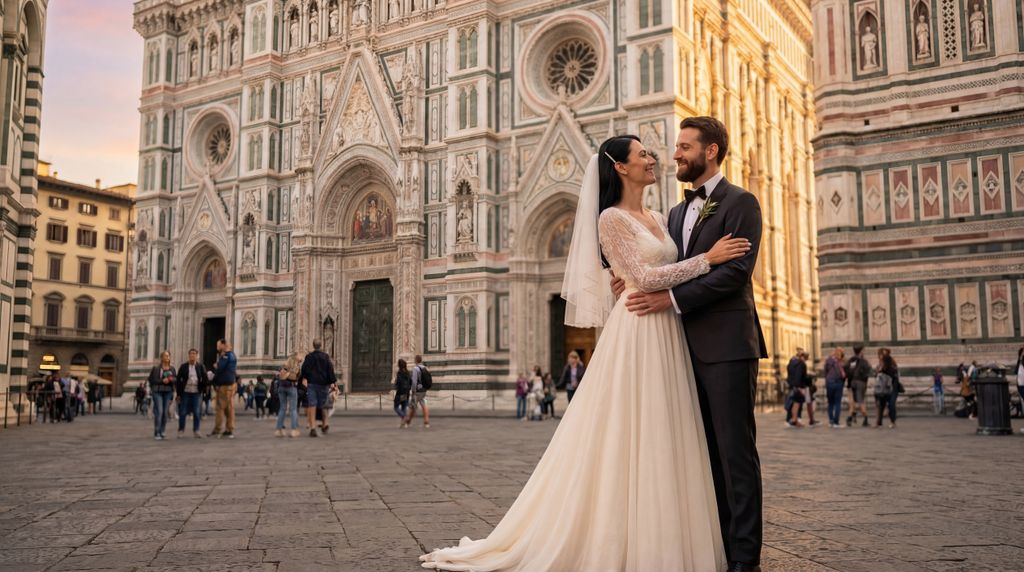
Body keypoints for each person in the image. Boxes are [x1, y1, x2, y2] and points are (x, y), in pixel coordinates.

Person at [422, 128, 752, 570]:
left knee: (675, 438)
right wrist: (704, 259)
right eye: (644, 153)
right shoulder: (611, 218)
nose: (657, 157)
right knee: (639, 436)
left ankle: (689, 542)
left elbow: (656, 270)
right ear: (620, 166)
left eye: (671, 149)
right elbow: (649, 277)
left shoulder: (665, 215)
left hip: (673, 334)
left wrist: (636, 276)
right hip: (640, 332)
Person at [299, 339, 337, 437]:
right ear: (321, 346)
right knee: (323, 405)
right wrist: (333, 382)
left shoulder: (309, 357)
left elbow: (304, 369)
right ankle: (325, 424)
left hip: (312, 384)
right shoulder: (325, 357)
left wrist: (304, 378)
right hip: (323, 384)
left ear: (313, 345)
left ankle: (312, 428)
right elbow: (330, 369)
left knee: (312, 405)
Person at [175, 348, 207, 438]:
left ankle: (196, 430)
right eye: (191, 354)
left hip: (196, 392)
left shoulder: (200, 366)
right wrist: (178, 394)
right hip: (186, 392)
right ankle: (181, 430)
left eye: (194, 354)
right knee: (183, 412)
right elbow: (178, 380)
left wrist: (203, 389)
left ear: (197, 356)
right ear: (188, 356)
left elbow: (205, 379)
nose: (192, 355)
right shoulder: (183, 366)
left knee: (197, 412)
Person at [210, 339, 238, 438]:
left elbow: (220, 368)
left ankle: (218, 429)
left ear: (223, 344)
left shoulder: (226, 355)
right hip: (228, 384)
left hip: (225, 386)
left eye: (218, 345)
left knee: (220, 408)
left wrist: (216, 366)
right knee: (228, 408)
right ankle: (229, 429)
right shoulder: (231, 355)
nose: (217, 347)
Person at [147, 351, 176, 440]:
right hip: (157, 392)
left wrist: (171, 380)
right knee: (159, 411)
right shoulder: (156, 368)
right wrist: (162, 381)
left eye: (168, 356)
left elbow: (175, 380)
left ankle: (162, 430)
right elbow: (152, 380)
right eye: (165, 356)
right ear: (162, 358)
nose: (167, 357)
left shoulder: (172, 369)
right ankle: (157, 432)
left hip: (168, 392)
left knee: (165, 412)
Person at [276, 351, 302, 437]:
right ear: (296, 356)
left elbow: (280, 375)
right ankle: (294, 430)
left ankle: (278, 430)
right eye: (300, 355)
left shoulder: (285, 364)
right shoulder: (296, 366)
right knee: (293, 409)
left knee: (282, 408)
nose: (301, 357)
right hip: (291, 387)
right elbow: (298, 377)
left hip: (281, 387)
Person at [845, 346, 871, 427]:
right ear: (861, 351)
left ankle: (850, 417)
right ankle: (865, 418)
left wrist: (850, 381)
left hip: (852, 382)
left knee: (854, 401)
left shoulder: (852, 360)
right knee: (861, 401)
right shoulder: (863, 361)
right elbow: (868, 371)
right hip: (860, 382)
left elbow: (848, 370)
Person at [404, 355, 431, 429]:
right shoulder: (424, 367)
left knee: (413, 407)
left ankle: (407, 422)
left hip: (417, 391)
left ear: (415, 360)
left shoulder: (415, 369)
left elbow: (414, 381)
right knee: (423, 404)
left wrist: (413, 391)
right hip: (423, 390)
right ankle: (426, 422)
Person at [875, 348, 899, 428]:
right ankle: (879, 422)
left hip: (892, 387)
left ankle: (892, 422)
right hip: (883, 388)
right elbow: (877, 376)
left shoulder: (892, 366)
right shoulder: (880, 366)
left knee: (891, 404)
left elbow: (895, 376)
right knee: (881, 404)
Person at [824, 347, 846, 428]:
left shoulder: (828, 360)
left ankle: (831, 420)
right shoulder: (841, 362)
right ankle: (836, 422)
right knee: (837, 403)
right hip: (838, 383)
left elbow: (825, 371)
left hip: (829, 382)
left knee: (830, 403)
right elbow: (844, 375)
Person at [785, 349, 808, 428]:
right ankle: (794, 420)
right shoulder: (800, 363)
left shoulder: (791, 362)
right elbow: (799, 376)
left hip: (791, 385)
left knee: (793, 403)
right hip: (798, 386)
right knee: (797, 404)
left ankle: (793, 420)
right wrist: (799, 387)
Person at [394, 359, 412, 425]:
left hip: (400, 393)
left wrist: (396, 385)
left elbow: (398, 383)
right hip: (406, 393)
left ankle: (404, 417)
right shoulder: (408, 373)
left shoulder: (399, 373)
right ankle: (403, 423)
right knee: (403, 407)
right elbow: (411, 382)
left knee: (396, 407)